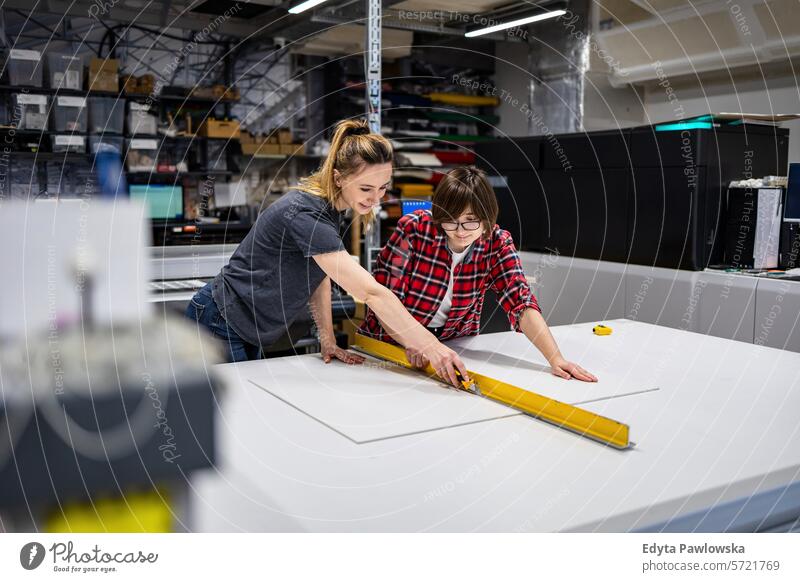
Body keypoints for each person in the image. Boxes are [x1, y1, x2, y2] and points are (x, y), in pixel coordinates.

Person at [186, 119, 470, 387]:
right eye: (366, 188)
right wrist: (433, 348)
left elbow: (319, 272)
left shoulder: (332, 210)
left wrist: (328, 338)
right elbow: (372, 293)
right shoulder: (307, 214)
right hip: (218, 319)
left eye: (383, 187)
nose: (376, 199)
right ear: (338, 178)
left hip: (246, 325)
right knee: (233, 415)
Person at [360, 166, 597, 382]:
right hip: (390, 345)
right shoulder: (413, 230)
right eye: (451, 221)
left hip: (453, 345)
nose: (460, 231)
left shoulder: (497, 243)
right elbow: (385, 299)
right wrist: (414, 340)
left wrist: (555, 358)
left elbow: (520, 301)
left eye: (471, 221)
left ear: (487, 218)